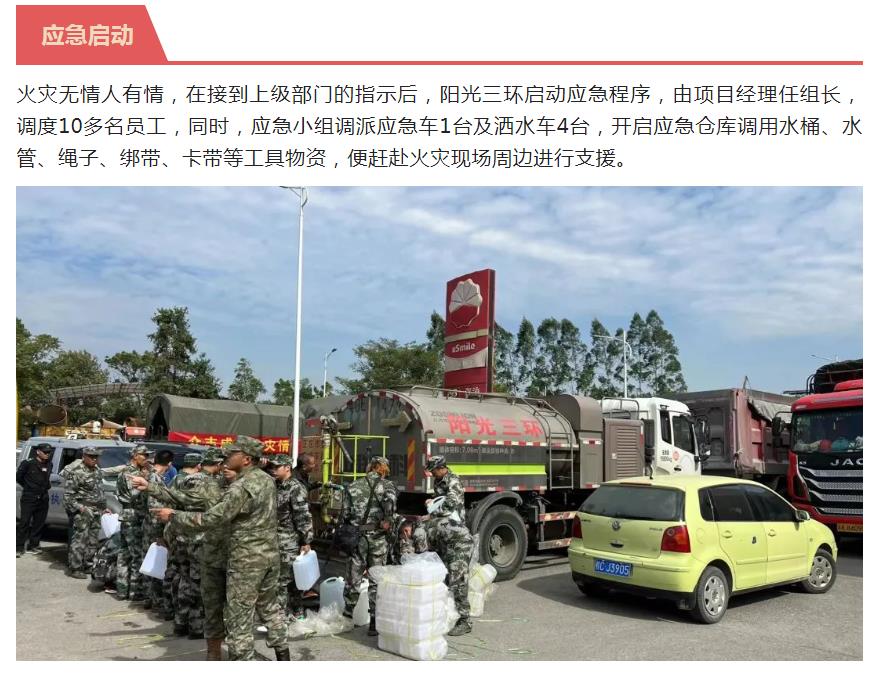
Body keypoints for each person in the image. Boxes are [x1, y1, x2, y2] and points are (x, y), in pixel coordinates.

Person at [152, 436, 290, 661]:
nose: (226, 458)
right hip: (268, 556)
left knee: (239, 620)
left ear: (246, 459)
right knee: (269, 608)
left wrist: (174, 516)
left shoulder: (242, 486)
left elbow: (213, 518)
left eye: (232, 454)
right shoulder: (265, 480)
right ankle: (284, 657)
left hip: (246, 560)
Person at [133, 447, 229, 659]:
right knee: (196, 583)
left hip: (179, 536)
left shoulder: (181, 480)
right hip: (197, 538)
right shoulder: (208, 483)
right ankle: (195, 625)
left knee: (180, 578)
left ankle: (178, 620)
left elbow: (170, 501)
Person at [341, 454, 397, 636]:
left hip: (357, 538)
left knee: (353, 578)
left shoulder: (353, 486)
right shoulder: (387, 486)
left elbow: (345, 514)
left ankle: (347, 616)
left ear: (370, 467)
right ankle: (374, 621)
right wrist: (387, 521)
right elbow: (391, 509)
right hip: (378, 538)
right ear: (383, 469)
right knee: (376, 578)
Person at [422, 454, 474, 636]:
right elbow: (440, 501)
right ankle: (450, 614)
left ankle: (465, 620)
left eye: (433, 470)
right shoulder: (439, 481)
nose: (432, 474)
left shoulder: (453, 481)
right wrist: (431, 502)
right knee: (446, 577)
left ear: (441, 468)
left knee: (458, 580)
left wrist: (432, 512)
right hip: (447, 536)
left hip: (458, 537)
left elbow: (449, 505)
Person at [268, 452, 317, 622]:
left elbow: (303, 516)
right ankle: (294, 611)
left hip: (289, 541)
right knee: (287, 579)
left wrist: (306, 541)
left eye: (277, 467)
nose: (273, 470)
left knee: (284, 581)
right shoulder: (275, 485)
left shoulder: (295, 488)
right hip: (275, 540)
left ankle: (280, 618)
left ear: (287, 468)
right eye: (272, 467)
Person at [114, 444, 153, 600]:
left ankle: (122, 589)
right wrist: (146, 480)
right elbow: (133, 494)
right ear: (135, 455)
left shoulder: (134, 471)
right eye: (144, 455)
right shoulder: (130, 473)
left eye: (147, 455)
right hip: (133, 516)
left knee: (124, 554)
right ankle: (134, 591)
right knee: (135, 554)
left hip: (130, 515)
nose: (146, 458)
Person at [63, 446, 108, 579]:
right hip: (84, 511)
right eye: (91, 456)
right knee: (80, 540)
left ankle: (87, 564)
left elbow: (99, 491)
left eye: (96, 457)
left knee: (93, 540)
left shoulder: (97, 470)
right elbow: (68, 496)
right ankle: (75, 568)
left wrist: (103, 507)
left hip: (97, 510)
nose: (94, 459)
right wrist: (80, 508)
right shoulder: (77, 472)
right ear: (84, 457)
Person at [142, 451, 175, 618]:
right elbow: (155, 508)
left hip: (148, 524)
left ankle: (149, 597)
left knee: (150, 560)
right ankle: (154, 600)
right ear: (169, 464)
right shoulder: (155, 478)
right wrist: (160, 533)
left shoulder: (150, 475)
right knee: (156, 562)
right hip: (154, 527)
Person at [16, 442, 53, 557]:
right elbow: (19, 477)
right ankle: (19, 547)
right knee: (24, 522)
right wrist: (29, 487)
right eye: (45, 452)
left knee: (39, 523)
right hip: (29, 497)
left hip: (43, 497)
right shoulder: (28, 463)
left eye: (49, 452)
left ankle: (34, 545)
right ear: (38, 452)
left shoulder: (49, 464)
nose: (47, 454)